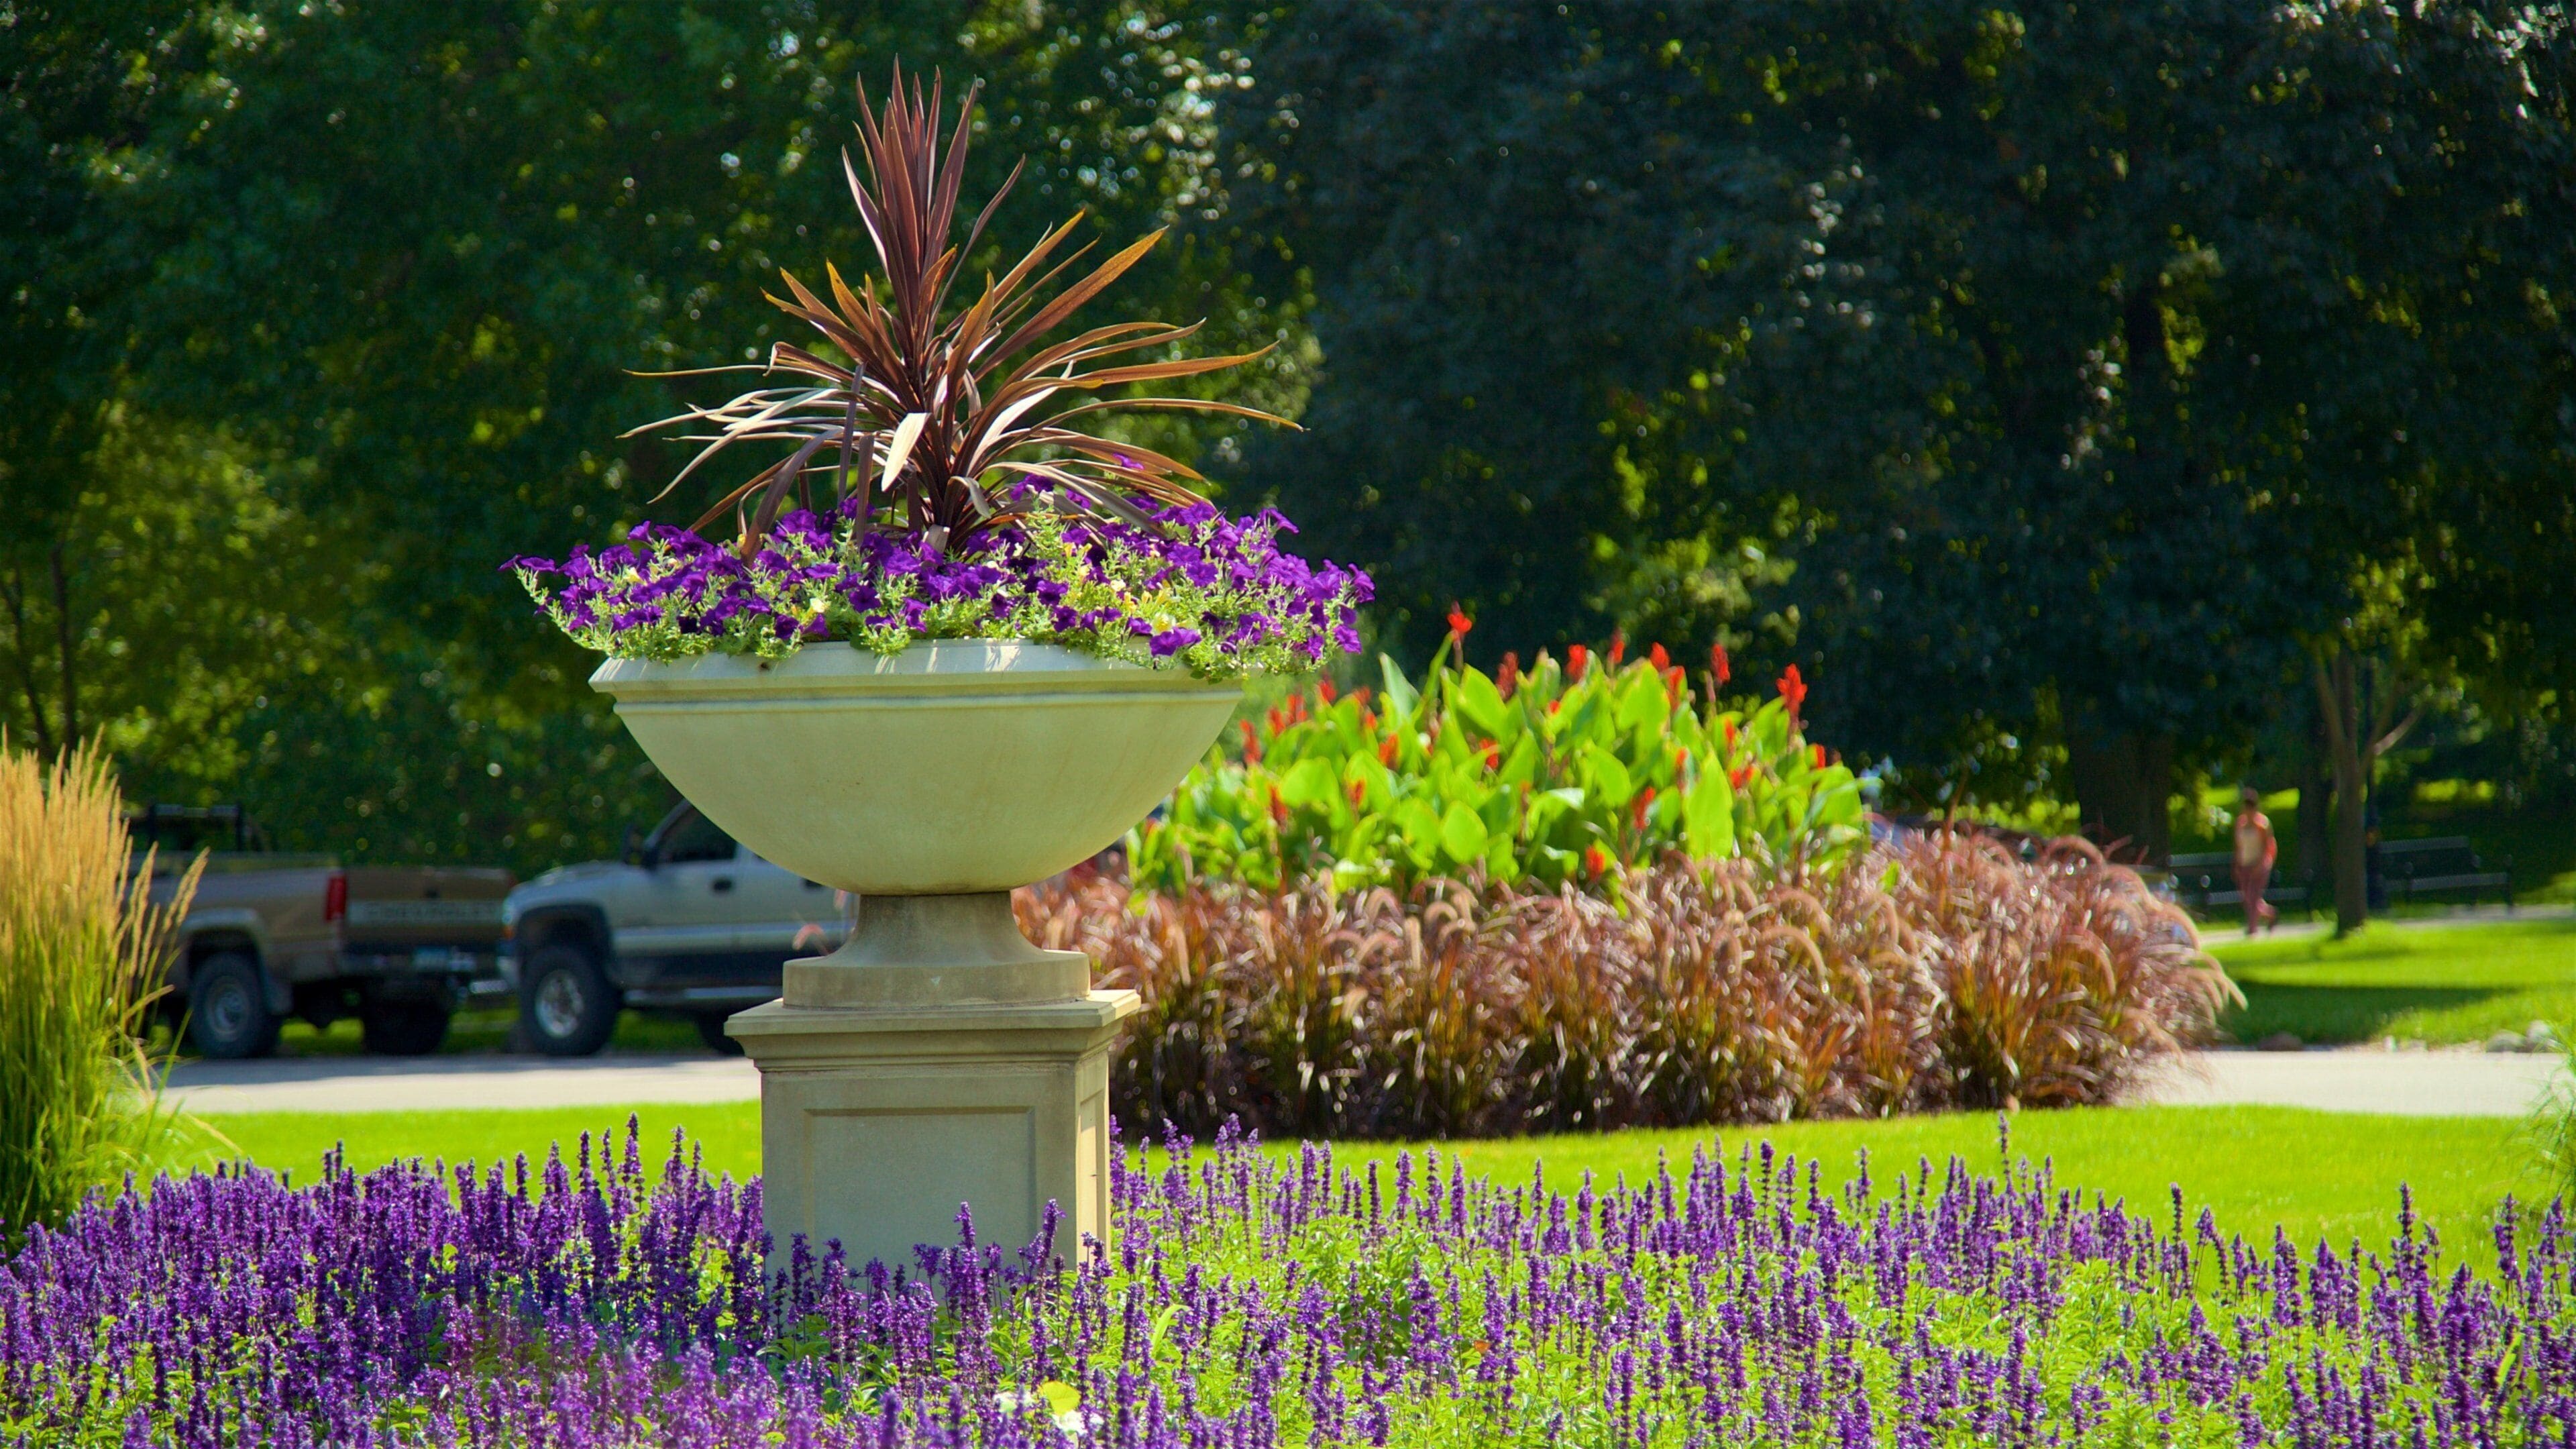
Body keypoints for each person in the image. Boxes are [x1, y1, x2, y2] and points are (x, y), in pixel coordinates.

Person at [2233, 785, 2279, 935]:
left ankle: (2252, 929)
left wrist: (2261, 865)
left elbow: (2268, 846)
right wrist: (2237, 864)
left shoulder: (2262, 825)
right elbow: (2238, 846)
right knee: (2248, 898)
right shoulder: (2240, 824)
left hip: (2260, 864)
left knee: (2254, 897)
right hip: (2245, 863)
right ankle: (2270, 914)